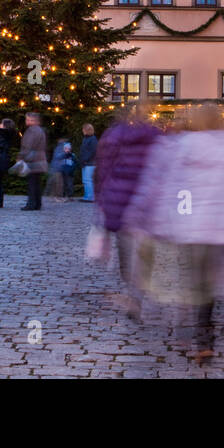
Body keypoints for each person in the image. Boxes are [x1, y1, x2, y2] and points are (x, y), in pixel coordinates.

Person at [124, 105, 224, 359]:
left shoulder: (183, 145)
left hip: (194, 227)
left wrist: (156, 219)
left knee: (200, 284)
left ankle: (203, 340)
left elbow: (168, 184)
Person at [95, 104, 160, 319]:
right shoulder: (155, 137)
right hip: (147, 205)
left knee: (126, 251)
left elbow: (103, 170)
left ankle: (132, 288)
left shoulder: (112, 137)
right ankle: (138, 293)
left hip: (119, 203)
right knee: (144, 252)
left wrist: (101, 199)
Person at [19, 112, 49, 211]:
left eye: (28, 119)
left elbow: (28, 146)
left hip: (33, 160)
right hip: (40, 160)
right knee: (36, 183)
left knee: (32, 183)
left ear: (33, 120)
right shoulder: (40, 130)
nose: (26, 121)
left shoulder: (32, 131)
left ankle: (31, 204)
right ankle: (37, 203)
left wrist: (21, 156)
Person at [78, 123, 98, 202]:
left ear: (87, 130)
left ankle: (90, 197)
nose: (82, 130)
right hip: (85, 163)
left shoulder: (93, 139)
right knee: (85, 180)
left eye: (83, 129)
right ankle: (87, 196)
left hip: (90, 163)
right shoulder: (86, 139)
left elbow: (93, 152)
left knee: (88, 180)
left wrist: (85, 159)